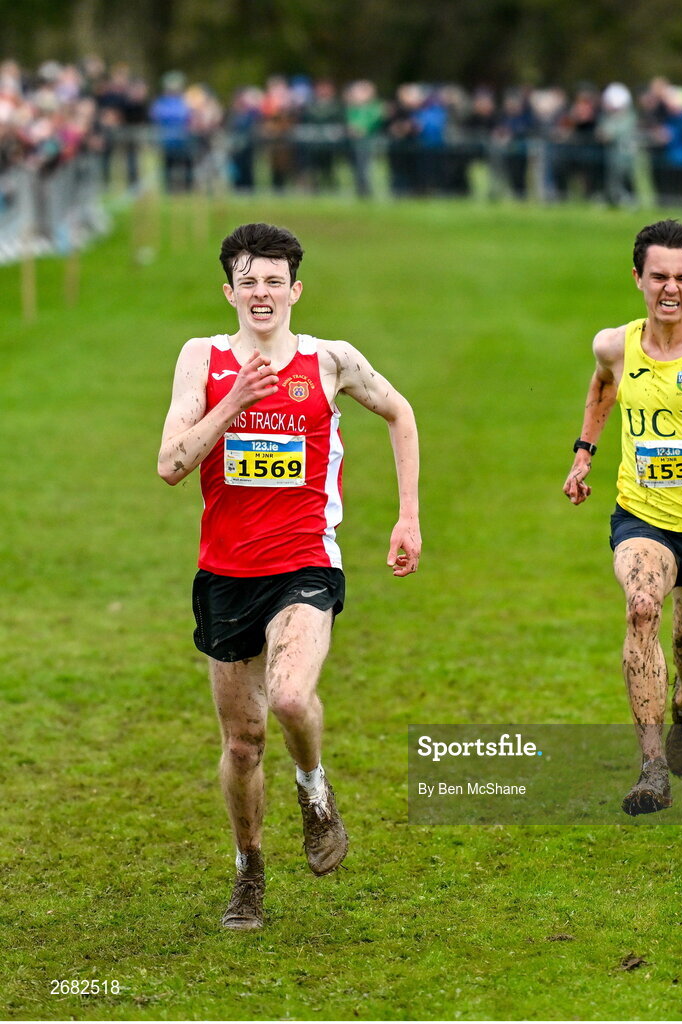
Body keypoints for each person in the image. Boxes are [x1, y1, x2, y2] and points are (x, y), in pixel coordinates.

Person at [158, 222, 421, 928]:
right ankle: (249, 871)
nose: (262, 293)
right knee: (243, 745)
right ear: (230, 292)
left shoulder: (330, 360)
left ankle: (314, 791)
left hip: (304, 562)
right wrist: (233, 402)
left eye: (274, 281)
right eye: (248, 281)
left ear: (295, 290)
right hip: (225, 575)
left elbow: (399, 412)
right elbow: (171, 464)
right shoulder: (202, 358)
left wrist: (407, 516)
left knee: (291, 696)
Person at [563, 219, 682, 815]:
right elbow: (603, 387)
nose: (669, 288)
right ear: (638, 279)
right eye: (658, 277)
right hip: (642, 516)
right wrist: (584, 452)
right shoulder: (614, 346)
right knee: (642, 607)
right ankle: (652, 770)